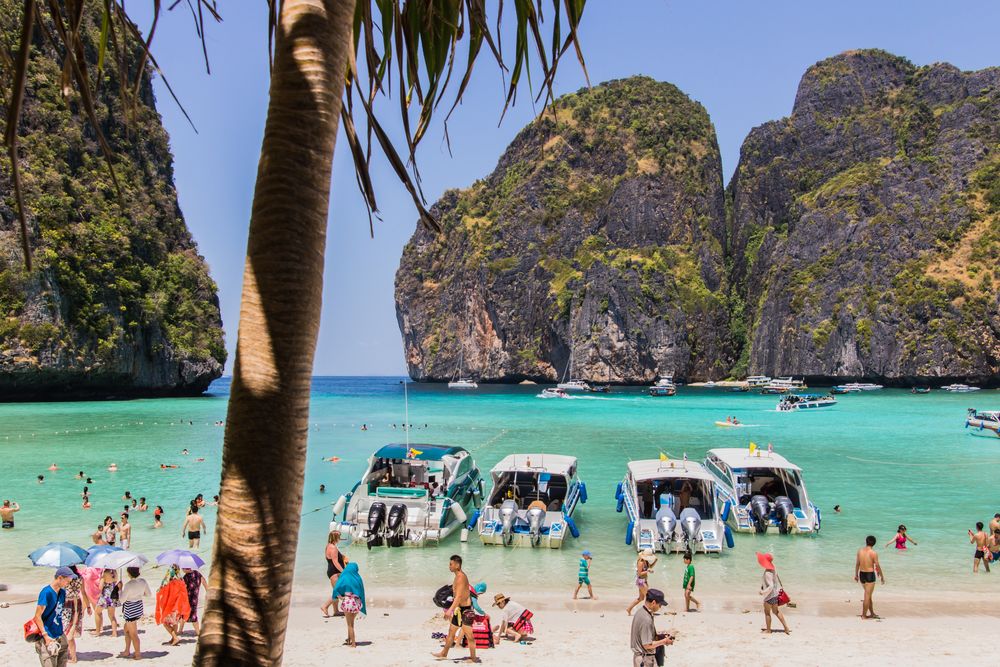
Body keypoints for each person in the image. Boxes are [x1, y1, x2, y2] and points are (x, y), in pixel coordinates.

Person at [431, 554, 476, 661]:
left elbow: (459, 596)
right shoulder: (457, 576)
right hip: (459, 609)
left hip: (466, 610)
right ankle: (444, 653)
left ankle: (473, 658)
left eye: (451, 564)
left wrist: (449, 610)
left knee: (469, 635)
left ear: (457, 565)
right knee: (451, 632)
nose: (449, 566)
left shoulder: (461, 577)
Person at [33, 566, 74, 667]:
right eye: (67, 581)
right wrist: (46, 636)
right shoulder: (46, 592)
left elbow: (58, 613)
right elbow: (37, 616)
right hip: (47, 636)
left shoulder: (62, 592)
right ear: (60, 578)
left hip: (60, 635)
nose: (68, 584)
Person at [629, 588, 673, 667]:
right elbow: (647, 645)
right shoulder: (646, 619)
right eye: (660, 605)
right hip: (645, 660)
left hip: (642, 658)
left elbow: (643, 636)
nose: (660, 607)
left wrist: (660, 636)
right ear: (653, 603)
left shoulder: (641, 611)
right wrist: (664, 641)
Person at [331, 562, 366, 648]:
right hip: (357, 602)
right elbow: (362, 592)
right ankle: (349, 639)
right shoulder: (358, 578)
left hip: (348, 602)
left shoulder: (344, 577)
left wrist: (340, 597)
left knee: (349, 624)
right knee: (352, 623)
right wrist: (362, 606)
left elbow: (336, 589)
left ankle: (353, 643)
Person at [120, 566, 151, 659]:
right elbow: (148, 594)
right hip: (138, 607)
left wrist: (120, 590)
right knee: (126, 629)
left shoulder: (129, 584)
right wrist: (140, 593)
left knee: (133, 633)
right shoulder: (143, 581)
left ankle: (137, 654)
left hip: (130, 609)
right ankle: (127, 650)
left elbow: (122, 600)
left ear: (129, 573)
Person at [62, 564, 91, 663]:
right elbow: (83, 592)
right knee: (70, 631)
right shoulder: (80, 578)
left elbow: (61, 591)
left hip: (67, 604)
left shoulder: (66, 578)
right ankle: (71, 654)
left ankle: (73, 657)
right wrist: (88, 606)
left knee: (67, 631)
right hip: (77, 603)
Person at [155, 566, 190, 646]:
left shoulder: (168, 582)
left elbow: (161, 590)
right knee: (175, 623)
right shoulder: (181, 580)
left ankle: (175, 637)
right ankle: (173, 639)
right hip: (178, 607)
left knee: (165, 623)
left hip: (170, 607)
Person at [757, 552, 790, 634]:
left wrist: (762, 592)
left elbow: (770, 586)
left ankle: (768, 630)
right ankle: (786, 628)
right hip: (775, 595)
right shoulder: (773, 568)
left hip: (769, 596)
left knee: (767, 612)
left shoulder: (768, 572)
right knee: (776, 611)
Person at [855, 535, 885, 619]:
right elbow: (877, 565)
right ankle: (864, 615)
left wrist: (856, 575)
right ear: (874, 543)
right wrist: (882, 576)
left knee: (868, 595)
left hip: (862, 574)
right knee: (867, 596)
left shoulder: (860, 551)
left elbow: (857, 564)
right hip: (869, 575)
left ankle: (872, 613)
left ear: (866, 541)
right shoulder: (873, 553)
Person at [321, 530, 348, 617]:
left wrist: (342, 556)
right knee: (338, 593)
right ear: (336, 538)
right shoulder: (333, 548)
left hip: (332, 572)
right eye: (339, 537)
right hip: (335, 573)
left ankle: (336, 611)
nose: (340, 539)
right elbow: (335, 562)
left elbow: (333, 558)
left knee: (336, 591)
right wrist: (344, 572)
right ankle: (325, 606)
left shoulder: (329, 546)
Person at [178, 567, 208, 636]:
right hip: (194, 599)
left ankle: (198, 632)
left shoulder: (186, 577)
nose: (182, 570)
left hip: (188, 599)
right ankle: (180, 630)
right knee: (187, 614)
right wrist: (207, 590)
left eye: (183, 569)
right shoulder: (197, 573)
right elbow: (203, 581)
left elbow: (183, 589)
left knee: (190, 615)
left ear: (186, 569)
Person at [626, 549, 656, 615]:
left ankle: (629, 608)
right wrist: (648, 571)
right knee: (648, 596)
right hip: (641, 581)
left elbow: (650, 566)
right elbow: (639, 573)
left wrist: (655, 561)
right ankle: (649, 610)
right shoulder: (641, 562)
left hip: (644, 580)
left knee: (641, 598)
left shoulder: (646, 561)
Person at [96, 568, 121, 637]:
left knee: (97, 612)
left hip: (105, 596)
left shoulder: (104, 574)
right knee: (112, 616)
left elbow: (100, 588)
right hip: (113, 596)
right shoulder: (115, 573)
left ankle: (97, 632)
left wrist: (100, 579)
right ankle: (114, 633)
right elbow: (116, 582)